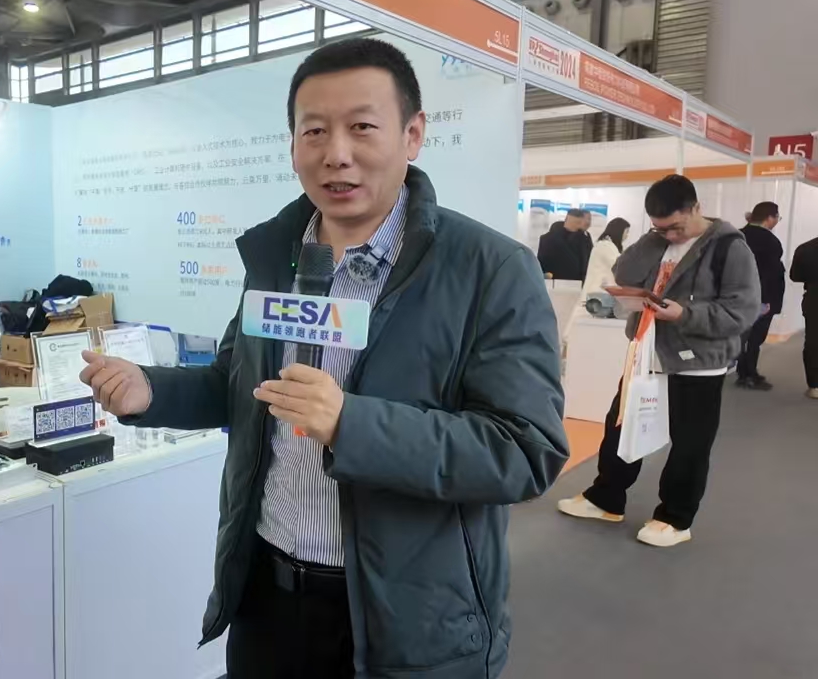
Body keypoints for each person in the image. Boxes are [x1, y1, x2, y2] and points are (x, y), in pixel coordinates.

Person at [79, 37, 569, 679]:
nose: (336, 153)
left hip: (404, 618)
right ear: (293, 146)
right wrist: (153, 392)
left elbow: (524, 451)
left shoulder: (491, 271)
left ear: (413, 135)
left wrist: (350, 424)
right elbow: (241, 386)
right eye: (314, 131)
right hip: (266, 597)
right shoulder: (276, 257)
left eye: (362, 127)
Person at [559, 175, 759, 548]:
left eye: (676, 227)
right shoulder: (657, 241)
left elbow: (741, 312)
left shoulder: (730, 248)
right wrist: (655, 238)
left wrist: (685, 314)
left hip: (698, 363)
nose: (670, 234)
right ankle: (606, 498)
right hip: (647, 353)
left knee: (689, 443)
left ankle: (675, 518)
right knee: (621, 428)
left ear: (696, 208)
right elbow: (624, 273)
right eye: (660, 227)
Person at [736, 202, 785, 390]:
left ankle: (743, 372)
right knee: (755, 338)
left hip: (737, 296)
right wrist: (768, 301)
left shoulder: (737, 235)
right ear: (770, 217)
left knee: (741, 336)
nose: (777, 221)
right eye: (777, 218)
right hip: (761, 299)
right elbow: (769, 275)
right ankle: (750, 375)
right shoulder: (770, 241)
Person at [566, 217, 631, 336]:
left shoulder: (607, 245)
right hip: (596, 293)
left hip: (600, 294)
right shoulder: (605, 245)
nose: (627, 236)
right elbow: (618, 265)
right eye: (626, 232)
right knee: (581, 325)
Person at [791, 235, 818, 399]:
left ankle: (815, 386)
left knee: (813, 341)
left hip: (814, 297)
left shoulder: (805, 248)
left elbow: (795, 276)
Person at [537, 209, 592, 281]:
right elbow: (542, 262)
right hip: (555, 281)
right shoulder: (549, 239)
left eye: (578, 222)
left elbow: (587, 261)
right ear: (567, 220)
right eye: (575, 222)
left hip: (579, 282)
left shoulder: (585, 239)